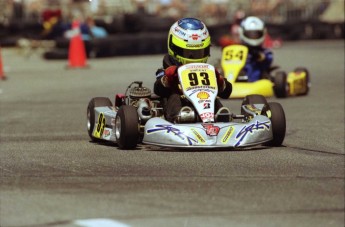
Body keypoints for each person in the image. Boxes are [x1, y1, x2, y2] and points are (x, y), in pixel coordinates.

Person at [154, 18, 232, 123]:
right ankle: (180, 119)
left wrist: (220, 81)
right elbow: (158, 89)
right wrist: (168, 79)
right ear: (174, 48)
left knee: (213, 98)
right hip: (177, 112)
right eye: (189, 54)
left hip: (205, 106)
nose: (194, 58)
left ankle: (221, 117)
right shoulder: (167, 70)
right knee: (175, 97)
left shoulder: (207, 71)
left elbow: (227, 93)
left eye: (199, 53)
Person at [238, 16, 273, 82]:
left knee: (252, 66)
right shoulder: (238, 49)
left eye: (256, 34)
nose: (253, 37)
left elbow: (268, 60)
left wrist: (260, 56)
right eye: (250, 34)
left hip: (256, 79)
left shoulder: (264, 52)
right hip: (236, 75)